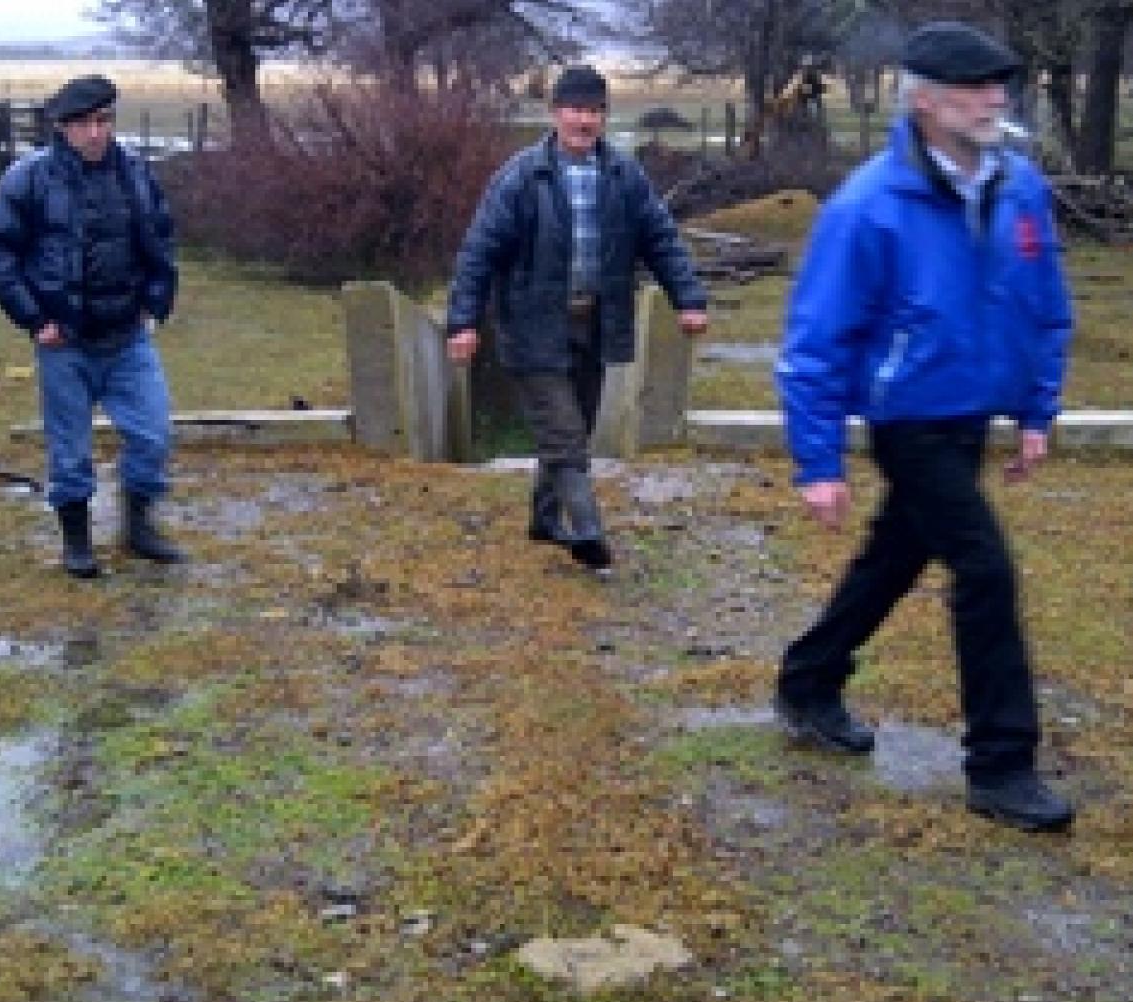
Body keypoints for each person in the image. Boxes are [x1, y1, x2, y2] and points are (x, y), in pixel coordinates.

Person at [772, 22, 1077, 832]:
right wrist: (818, 460)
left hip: (971, 413)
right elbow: (816, 339)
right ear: (924, 98)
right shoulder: (869, 206)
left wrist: (1037, 409)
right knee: (984, 570)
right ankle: (1001, 765)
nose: (992, 100)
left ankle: (809, 680)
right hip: (909, 421)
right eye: (972, 87)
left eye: (997, 86)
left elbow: (1042, 305)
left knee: (892, 560)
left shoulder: (1019, 188)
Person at [445, 65, 709, 574]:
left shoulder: (624, 175)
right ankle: (588, 531)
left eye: (594, 111)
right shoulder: (521, 177)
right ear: (555, 113)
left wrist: (689, 299)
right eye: (575, 109)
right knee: (564, 434)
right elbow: (478, 252)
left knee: (575, 428)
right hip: (532, 327)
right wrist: (463, 323)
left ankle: (545, 519)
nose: (584, 120)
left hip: (596, 324)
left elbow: (661, 239)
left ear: (604, 117)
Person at [0, 74, 186, 579]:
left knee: (154, 433)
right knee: (69, 449)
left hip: (128, 337)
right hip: (65, 340)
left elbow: (160, 237)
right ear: (63, 128)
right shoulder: (30, 179)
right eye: (85, 124)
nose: (96, 134)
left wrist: (156, 301)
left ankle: (138, 526)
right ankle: (76, 540)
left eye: (104, 121)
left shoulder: (135, 173)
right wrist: (34, 317)